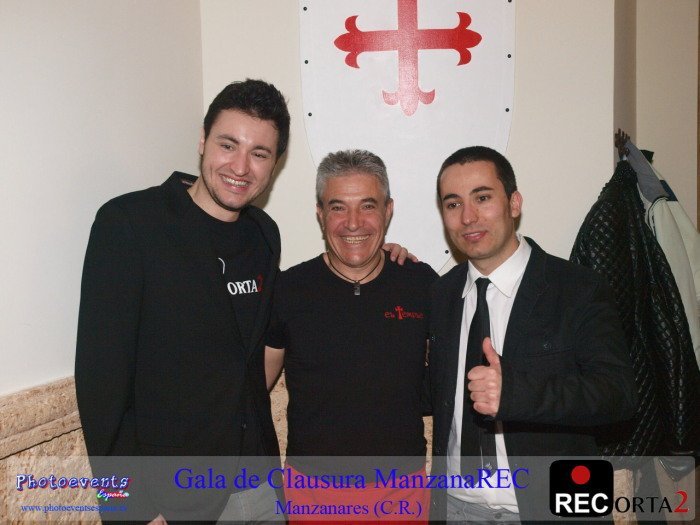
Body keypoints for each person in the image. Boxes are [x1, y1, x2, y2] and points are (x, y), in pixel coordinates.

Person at [75, 79, 290, 523]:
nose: (240, 166)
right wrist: (132, 510)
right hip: (173, 502)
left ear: (275, 163)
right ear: (202, 141)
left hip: (262, 489)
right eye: (228, 145)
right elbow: (101, 386)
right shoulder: (131, 224)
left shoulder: (264, 235)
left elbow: (249, 360)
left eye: (259, 153)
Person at [428, 146, 636, 523]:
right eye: (453, 204)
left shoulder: (577, 289)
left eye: (482, 198)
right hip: (456, 507)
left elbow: (618, 395)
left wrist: (517, 393)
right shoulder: (440, 295)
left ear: (514, 203)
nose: (468, 217)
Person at [265, 149, 438, 522]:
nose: (353, 223)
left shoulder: (421, 284)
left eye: (368, 206)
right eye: (338, 207)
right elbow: (251, 388)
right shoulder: (289, 289)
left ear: (388, 211)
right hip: (312, 492)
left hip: (401, 491)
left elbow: (451, 378)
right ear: (320, 213)